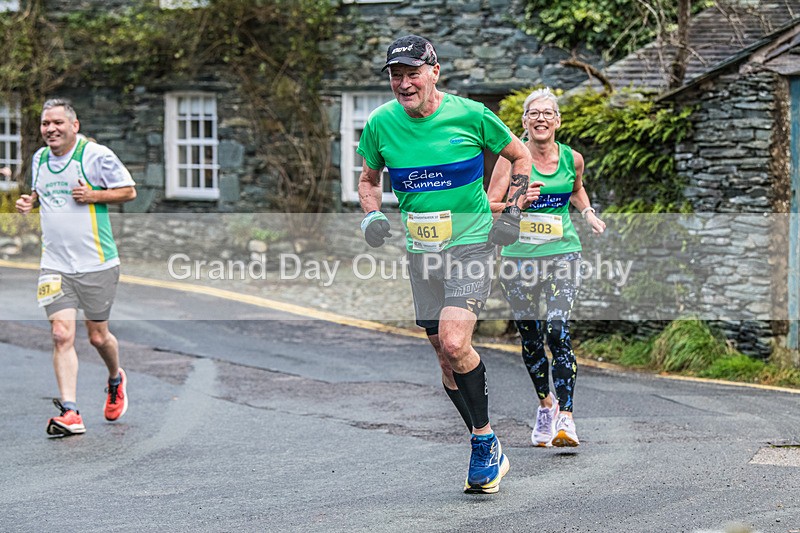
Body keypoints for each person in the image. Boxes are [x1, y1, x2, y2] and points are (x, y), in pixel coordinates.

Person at [357, 35, 539, 494]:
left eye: (412, 73)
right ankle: (488, 442)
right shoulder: (381, 124)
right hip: (423, 254)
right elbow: (368, 178)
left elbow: (520, 157)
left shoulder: (471, 115)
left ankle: (482, 442)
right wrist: (372, 215)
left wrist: (513, 213)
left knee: (456, 343)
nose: (403, 83)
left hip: (472, 246)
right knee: (442, 355)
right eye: (396, 75)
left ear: (434, 71)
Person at [488, 88, 605, 448]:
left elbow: (576, 190)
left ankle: (566, 418)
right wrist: (517, 202)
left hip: (562, 253)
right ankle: (545, 406)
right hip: (518, 258)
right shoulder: (511, 160)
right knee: (531, 336)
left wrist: (587, 212)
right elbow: (489, 204)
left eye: (548, 113)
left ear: (558, 121)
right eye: (533, 113)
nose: (541, 119)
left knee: (557, 328)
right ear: (524, 122)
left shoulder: (573, 158)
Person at [16, 98, 137, 436]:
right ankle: (70, 412)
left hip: (96, 262)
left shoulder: (95, 156)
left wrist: (95, 196)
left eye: (57, 123)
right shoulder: (40, 159)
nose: (50, 129)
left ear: (74, 125)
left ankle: (115, 378)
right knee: (60, 334)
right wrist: (30, 201)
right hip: (54, 264)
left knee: (98, 337)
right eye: (45, 124)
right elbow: (43, 193)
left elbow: (129, 191)